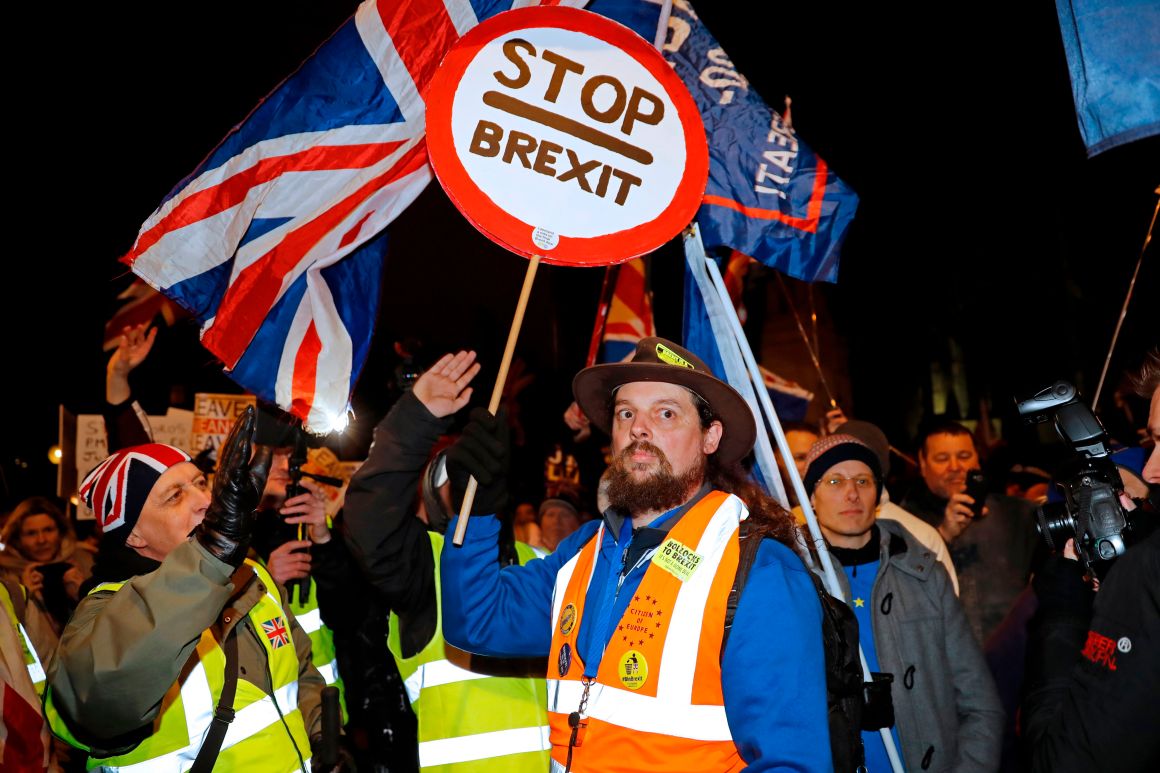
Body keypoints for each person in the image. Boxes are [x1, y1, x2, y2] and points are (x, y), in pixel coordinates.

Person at [440, 337, 830, 771]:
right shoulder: (583, 552)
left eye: (665, 413)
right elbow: (476, 622)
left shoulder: (759, 569)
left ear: (710, 437)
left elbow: (791, 762)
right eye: (626, 413)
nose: (638, 428)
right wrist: (478, 505)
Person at [46, 408, 327, 771]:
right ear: (133, 535)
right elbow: (105, 693)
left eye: (200, 483)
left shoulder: (252, 576)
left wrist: (321, 736)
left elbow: (301, 667)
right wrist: (211, 555)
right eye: (174, 496)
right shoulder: (101, 613)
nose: (205, 500)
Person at [342, 350, 551, 772]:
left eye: (475, 471)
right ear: (435, 508)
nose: (467, 484)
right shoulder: (426, 567)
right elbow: (370, 523)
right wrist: (416, 418)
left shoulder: (541, 563)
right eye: (453, 480)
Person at [801, 433, 1002, 771]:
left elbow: (979, 702)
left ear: (878, 493)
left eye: (863, 480)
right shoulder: (795, 581)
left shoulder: (924, 574)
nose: (851, 493)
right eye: (834, 480)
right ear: (811, 496)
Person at [1020, 350, 1160, 772]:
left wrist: (1065, 609)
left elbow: (1060, 760)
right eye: (1152, 442)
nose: (1152, 470)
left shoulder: (1145, 576)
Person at [902, 419, 1037, 642]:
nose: (955, 466)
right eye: (942, 459)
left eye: (964, 456)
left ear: (977, 460)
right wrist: (943, 535)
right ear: (923, 465)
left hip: (1013, 654)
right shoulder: (903, 522)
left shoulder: (1016, 514)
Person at [0, 496, 93, 642]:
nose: (42, 540)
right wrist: (24, 598)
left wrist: (84, 592)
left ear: (61, 532)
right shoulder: (6, 576)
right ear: (17, 538)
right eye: (31, 533)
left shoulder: (85, 562)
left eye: (48, 530)